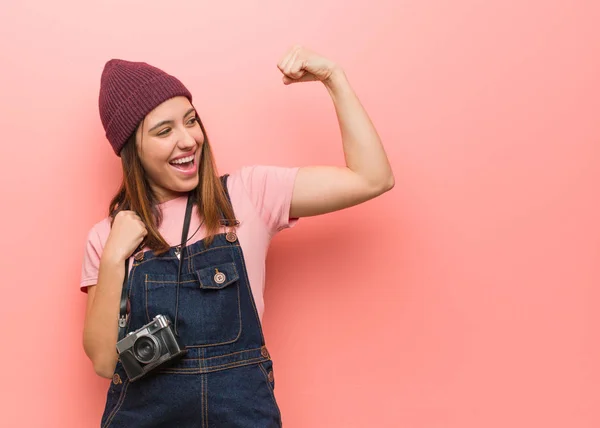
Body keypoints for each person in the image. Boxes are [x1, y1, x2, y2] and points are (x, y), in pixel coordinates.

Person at [80, 45, 394, 427]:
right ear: (132, 150)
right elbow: (103, 361)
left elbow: (372, 178)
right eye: (164, 131)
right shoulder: (107, 238)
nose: (188, 140)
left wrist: (334, 79)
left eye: (191, 120)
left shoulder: (249, 194)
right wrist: (115, 257)